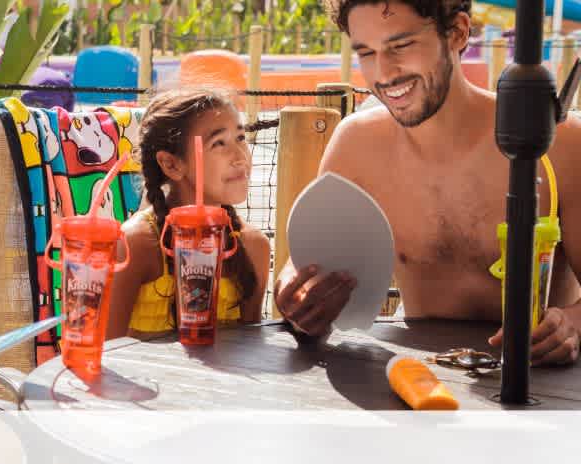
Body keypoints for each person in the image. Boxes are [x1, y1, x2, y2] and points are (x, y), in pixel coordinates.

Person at [274, 0, 581, 365]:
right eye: (366, 53)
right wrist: (298, 295)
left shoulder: (558, 144)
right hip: (422, 381)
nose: (383, 73)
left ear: (458, 32)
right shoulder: (356, 147)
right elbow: (312, 275)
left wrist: (572, 324)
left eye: (400, 46)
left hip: (544, 385)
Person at [106, 87, 271, 338]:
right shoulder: (136, 245)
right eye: (219, 143)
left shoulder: (253, 246)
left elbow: (249, 351)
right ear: (172, 164)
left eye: (240, 138)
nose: (240, 157)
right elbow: (108, 354)